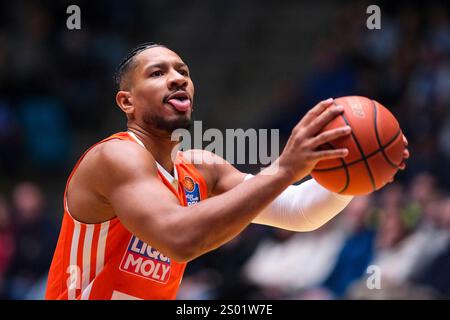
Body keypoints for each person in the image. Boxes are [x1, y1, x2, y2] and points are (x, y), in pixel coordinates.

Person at [45, 43, 409, 300]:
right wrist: (284, 168)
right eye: (158, 73)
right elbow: (179, 238)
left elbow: (299, 211)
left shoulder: (202, 168)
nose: (177, 78)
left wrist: (360, 172)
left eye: (183, 72)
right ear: (127, 102)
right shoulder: (114, 156)